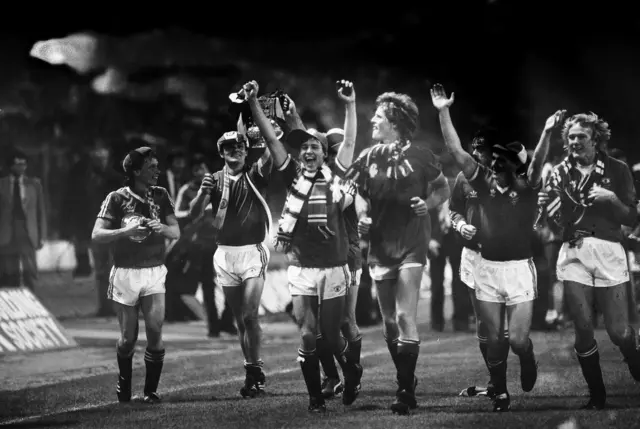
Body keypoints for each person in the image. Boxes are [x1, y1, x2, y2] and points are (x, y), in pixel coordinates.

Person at [431, 83, 561, 412]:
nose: (498, 166)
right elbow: (456, 151)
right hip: (486, 266)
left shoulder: (527, 185)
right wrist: (443, 111)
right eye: (496, 160)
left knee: (517, 340)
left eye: (504, 160)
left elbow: (538, 163)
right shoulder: (479, 179)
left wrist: (546, 131)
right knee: (492, 337)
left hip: (518, 268)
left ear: (511, 163)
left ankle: (527, 358)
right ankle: (500, 391)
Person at [247, 79, 363, 412]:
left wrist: (350, 105)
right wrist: (255, 102)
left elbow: (351, 140)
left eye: (316, 147)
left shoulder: (338, 176)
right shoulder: (292, 175)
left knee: (331, 334)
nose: (309, 151)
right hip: (301, 266)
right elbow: (271, 138)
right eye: (305, 148)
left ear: (326, 154)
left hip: (334, 266)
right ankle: (315, 399)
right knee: (308, 335)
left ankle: (350, 371)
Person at [348, 91, 451, 414]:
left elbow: (442, 188)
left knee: (405, 315)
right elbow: (355, 192)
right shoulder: (367, 157)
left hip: (412, 242)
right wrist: (363, 214)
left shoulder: (422, 155)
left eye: (378, 116)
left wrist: (429, 204)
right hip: (380, 246)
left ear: (395, 122)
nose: (373, 121)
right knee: (389, 323)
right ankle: (406, 375)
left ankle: (405, 391)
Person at [538, 112, 640, 409]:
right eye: (570, 137)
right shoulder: (559, 172)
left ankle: (633, 356)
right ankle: (597, 395)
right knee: (582, 328)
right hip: (573, 254)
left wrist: (610, 199)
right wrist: (547, 209)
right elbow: (557, 226)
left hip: (609, 251)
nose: (574, 142)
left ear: (595, 139)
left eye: (581, 136)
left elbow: (631, 217)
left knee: (618, 331)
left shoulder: (617, 169)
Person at [92, 146, 180, 404]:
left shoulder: (161, 195)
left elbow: (175, 232)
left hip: (153, 271)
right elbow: (96, 234)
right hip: (125, 274)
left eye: (157, 167)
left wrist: (161, 227)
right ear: (136, 171)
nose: (157, 171)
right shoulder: (117, 198)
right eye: (152, 168)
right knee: (128, 339)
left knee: (155, 329)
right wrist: (124, 232)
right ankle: (124, 384)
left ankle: (151, 391)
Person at [189, 129, 273, 398]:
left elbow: (272, 151)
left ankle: (254, 370)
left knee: (249, 315)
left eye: (239, 147)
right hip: (224, 254)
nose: (234, 151)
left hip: (252, 252)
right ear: (221, 152)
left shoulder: (256, 173)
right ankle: (253, 373)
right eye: (228, 148)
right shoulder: (213, 180)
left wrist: (266, 127)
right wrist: (202, 194)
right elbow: (193, 214)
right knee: (239, 320)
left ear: (247, 150)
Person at [450, 130, 510, 398]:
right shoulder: (463, 177)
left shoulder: (508, 178)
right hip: (473, 255)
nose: (475, 154)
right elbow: (454, 210)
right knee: (484, 323)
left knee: (504, 327)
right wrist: (461, 224)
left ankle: (503, 378)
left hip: (505, 257)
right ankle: (497, 382)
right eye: (473, 148)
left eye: (481, 150)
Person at [314, 128, 364, 399]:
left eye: (336, 152)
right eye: (331, 153)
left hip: (347, 257)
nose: (334, 158)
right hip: (320, 260)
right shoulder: (317, 177)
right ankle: (332, 377)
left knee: (345, 320)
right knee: (318, 325)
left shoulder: (349, 179)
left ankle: (350, 375)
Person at [0, 150, 47, 290]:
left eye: (24, 164)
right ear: (11, 165)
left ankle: (32, 304)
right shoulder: (1, 185)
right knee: (9, 272)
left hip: (27, 232)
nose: (21, 167)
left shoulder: (34, 184)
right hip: (7, 233)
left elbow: (40, 212)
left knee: (30, 272)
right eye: (18, 164)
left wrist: (42, 235)